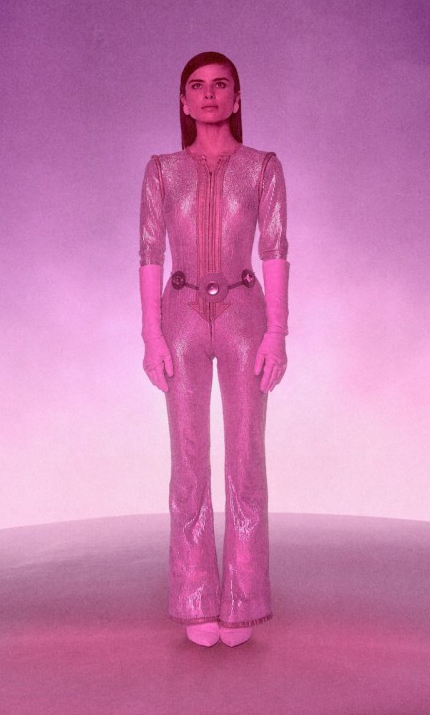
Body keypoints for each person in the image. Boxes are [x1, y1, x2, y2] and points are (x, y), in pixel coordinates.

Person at [138, 51, 290, 648]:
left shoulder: (262, 168)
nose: (208, 95)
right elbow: (149, 253)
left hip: (244, 315)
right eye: (197, 86)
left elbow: (275, 248)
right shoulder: (161, 170)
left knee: (246, 460)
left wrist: (277, 331)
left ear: (237, 97)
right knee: (188, 461)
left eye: (220, 85)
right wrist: (151, 334)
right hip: (179, 317)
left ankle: (244, 600)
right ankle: (196, 596)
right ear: (183, 102)